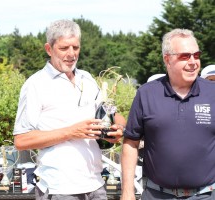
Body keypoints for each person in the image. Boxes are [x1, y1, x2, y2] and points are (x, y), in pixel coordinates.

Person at [13, 19, 125, 200]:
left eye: (76, 47)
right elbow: (21, 140)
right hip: (60, 188)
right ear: (49, 49)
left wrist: (118, 128)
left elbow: (110, 114)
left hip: (96, 185)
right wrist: (72, 132)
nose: (71, 54)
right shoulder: (35, 84)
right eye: (64, 48)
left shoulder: (87, 78)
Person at [121, 28, 215, 200]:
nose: (193, 61)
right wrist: (127, 192)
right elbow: (131, 143)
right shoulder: (147, 93)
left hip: (206, 195)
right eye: (185, 56)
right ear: (167, 59)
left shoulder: (212, 93)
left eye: (196, 55)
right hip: (157, 195)